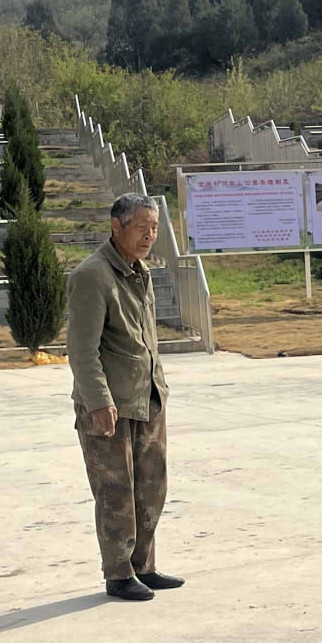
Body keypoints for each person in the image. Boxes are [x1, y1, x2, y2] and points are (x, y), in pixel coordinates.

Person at [67, 194, 182, 602]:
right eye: (142, 228)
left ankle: (143, 566)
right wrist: (98, 402)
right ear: (116, 227)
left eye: (154, 228)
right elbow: (82, 350)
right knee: (115, 492)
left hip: (147, 398)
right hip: (110, 405)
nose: (150, 236)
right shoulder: (92, 276)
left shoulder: (140, 272)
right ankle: (118, 574)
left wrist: (158, 388)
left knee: (151, 487)